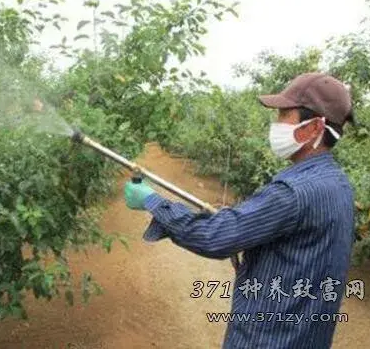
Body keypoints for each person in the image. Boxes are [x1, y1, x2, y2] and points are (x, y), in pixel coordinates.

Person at [124, 72, 356, 348]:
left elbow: (215, 237)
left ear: (314, 127)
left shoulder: (293, 192)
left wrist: (152, 201)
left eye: (284, 115)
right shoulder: (339, 185)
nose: (276, 124)